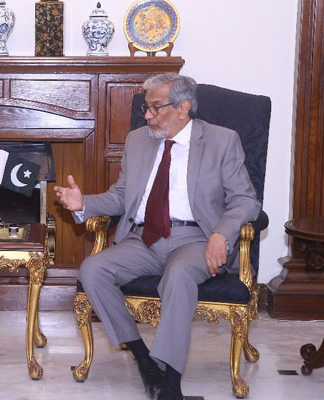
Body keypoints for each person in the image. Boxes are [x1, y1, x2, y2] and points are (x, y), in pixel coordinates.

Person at [54, 74, 260, 400]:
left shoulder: (222, 140)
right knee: (93, 270)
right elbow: (122, 196)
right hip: (143, 238)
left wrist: (221, 233)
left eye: (154, 108)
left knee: (178, 276)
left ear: (183, 108)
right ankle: (143, 360)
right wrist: (84, 203)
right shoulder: (138, 140)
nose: (147, 115)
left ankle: (171, 382)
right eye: (146, 108)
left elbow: (246, 201)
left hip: (195, 238)